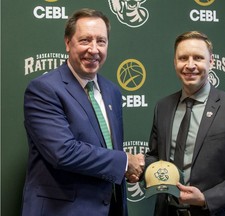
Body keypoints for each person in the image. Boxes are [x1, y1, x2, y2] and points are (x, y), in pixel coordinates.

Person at [21, 8, 144, 216]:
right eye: (85, 40)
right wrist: (124, 162)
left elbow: (106, 149)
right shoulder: (44, 89)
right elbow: (63, 152)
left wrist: (126, 170)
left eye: (101, 41)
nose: (94, 49)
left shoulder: (112, 91)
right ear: (68, 43)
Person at [145, 31, 225, 216]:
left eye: (198, 58)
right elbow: (155, 157)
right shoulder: (163, 107)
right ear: (175, 62)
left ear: (211, 62)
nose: (190, 65)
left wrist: (206, 199)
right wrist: (135, 165)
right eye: (183, 58)